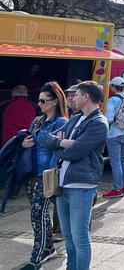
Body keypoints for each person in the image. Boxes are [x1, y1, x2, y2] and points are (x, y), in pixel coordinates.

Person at [42, 81, 109, 270]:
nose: (72, 98)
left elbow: (76, 151)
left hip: (81, 186)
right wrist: (65, 142)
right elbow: (46, 138)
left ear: (86, 97)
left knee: (80, 237)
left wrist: (60, 145)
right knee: (68, 237)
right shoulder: (75, 119)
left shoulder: (98, 123)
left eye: (76, 95)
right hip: (63, 185)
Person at [19, 82, 69, 270]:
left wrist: (50, 175)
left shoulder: (61, 123)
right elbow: (31, 142)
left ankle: (37, 255)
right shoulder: (37, 121)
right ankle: (47, 248)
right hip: (32, 173)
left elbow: (58, 150)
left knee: (37, 214)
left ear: (54, 101)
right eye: (38, 100)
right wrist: (24, 142)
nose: (39, 104)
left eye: (43, 100)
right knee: (39, 215)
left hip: (46, 174)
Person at [102, 77, 124, 198]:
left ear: (114, 87)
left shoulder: (113, 100)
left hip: (114, 133)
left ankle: (117, 188)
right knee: (122, 159)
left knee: (115, 162)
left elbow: (109, 119)